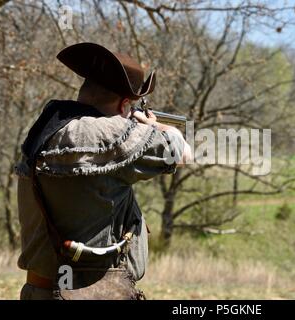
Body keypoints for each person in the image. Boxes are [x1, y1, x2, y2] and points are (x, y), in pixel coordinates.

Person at [15, 42, 191, 300]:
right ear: (124, 107)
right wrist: (159, 127)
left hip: (37, 290)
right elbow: (183, 153)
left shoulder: (47, 126)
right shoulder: (110, 135)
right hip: (93, 293)